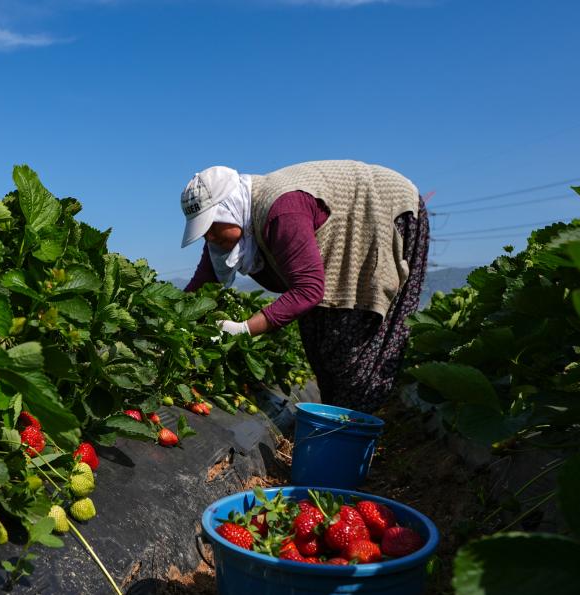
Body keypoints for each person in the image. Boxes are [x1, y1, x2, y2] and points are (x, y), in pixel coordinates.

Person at [179, 160, 430, 413]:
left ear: (229, 209)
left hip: (382, 210)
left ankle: (354, 425)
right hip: (336, 237)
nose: (209, 236)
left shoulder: (282, 211)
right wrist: (177, 318)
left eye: (211, 225)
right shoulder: (230, 227)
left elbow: (308, 290)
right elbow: (201, 285)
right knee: (318, 344)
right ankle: (334, 420)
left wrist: (243, 329)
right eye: (203, 230)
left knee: (351, 347)